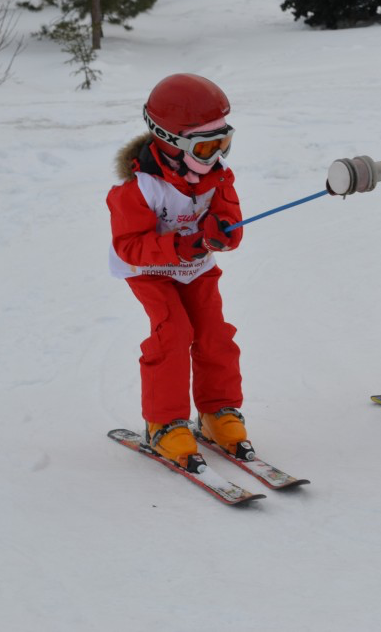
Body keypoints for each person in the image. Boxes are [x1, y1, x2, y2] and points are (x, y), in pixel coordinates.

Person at [107, 73, 249, 469]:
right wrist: (176, 246)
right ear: (170, 142)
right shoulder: (139, 189)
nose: (216, 156)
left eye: (223, 143)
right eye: (206, 146)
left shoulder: (216, 175)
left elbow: (229, 219)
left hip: (197, 268)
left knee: (213, 332)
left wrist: (224, 232)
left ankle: (218, 411)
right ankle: (164, 423)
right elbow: (128, 245)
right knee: (174, 332)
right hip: (148, 270)